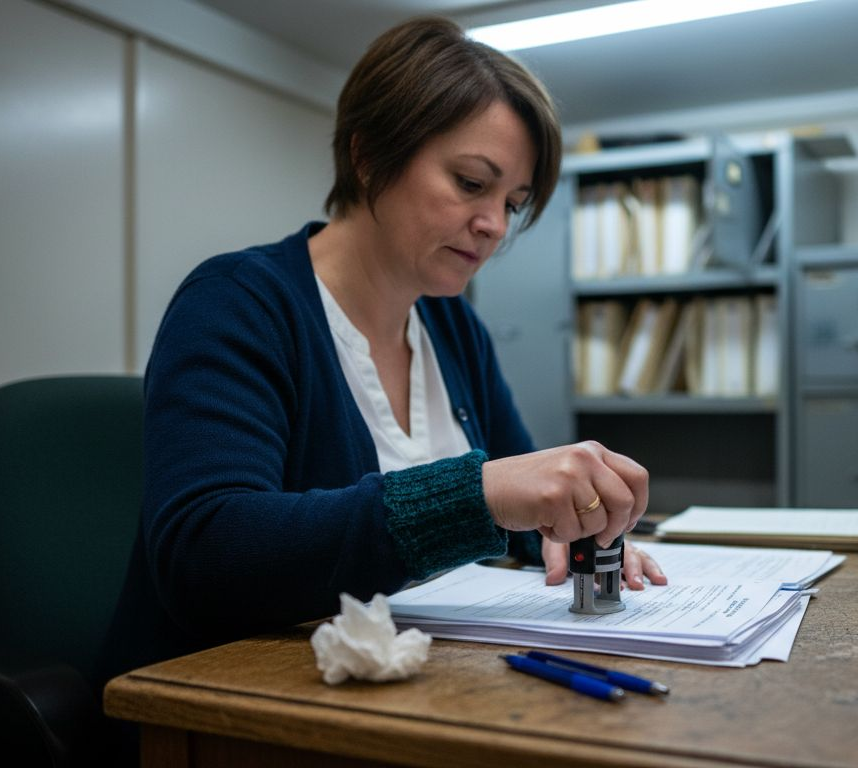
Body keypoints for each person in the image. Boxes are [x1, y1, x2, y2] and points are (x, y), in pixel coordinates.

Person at [101, 15, 667, 700]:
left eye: (512, 203)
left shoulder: (453, 326)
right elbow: (205, 554)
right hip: (230, 712)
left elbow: (524, 504)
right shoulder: (239, 303)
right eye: (469, 182)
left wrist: (567, 530)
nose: (493, 224)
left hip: (413, 695)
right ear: (369, 156)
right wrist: (479, 495)